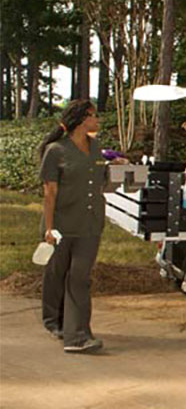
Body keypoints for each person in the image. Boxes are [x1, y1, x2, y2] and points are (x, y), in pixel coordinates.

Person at [39, 100, 126, 353]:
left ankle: (77, 336)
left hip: (90, 224)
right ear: (81, 119)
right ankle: (54, 321)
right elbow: (50, 193)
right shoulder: (56, 151)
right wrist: (49, 229)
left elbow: (98, 181)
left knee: (79, 277)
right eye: (93, 116)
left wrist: (115, 169)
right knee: (56, 274)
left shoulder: (96, 147)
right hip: (61, 225)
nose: (97, 120)